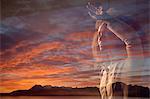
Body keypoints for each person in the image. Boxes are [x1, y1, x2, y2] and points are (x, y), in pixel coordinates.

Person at [87, 2, 144, 99]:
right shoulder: (105, 71)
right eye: (99, 35)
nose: (99, 39)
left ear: (118, 35)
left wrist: (110, 20)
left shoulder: (128, 65)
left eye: (105, 34)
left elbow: (133, 41)